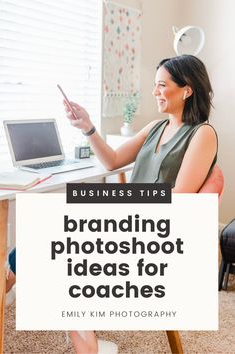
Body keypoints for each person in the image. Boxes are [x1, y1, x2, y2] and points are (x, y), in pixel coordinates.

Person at [64, 54, 217, 353]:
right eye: (155, 85)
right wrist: (88, 127)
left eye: (162, 85)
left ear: (187, 90)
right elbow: (112, 160)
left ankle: (90, 346)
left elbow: (182, 197)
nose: (154, 92)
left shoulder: (202, 134)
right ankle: (90, 345)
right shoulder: (155, 128)